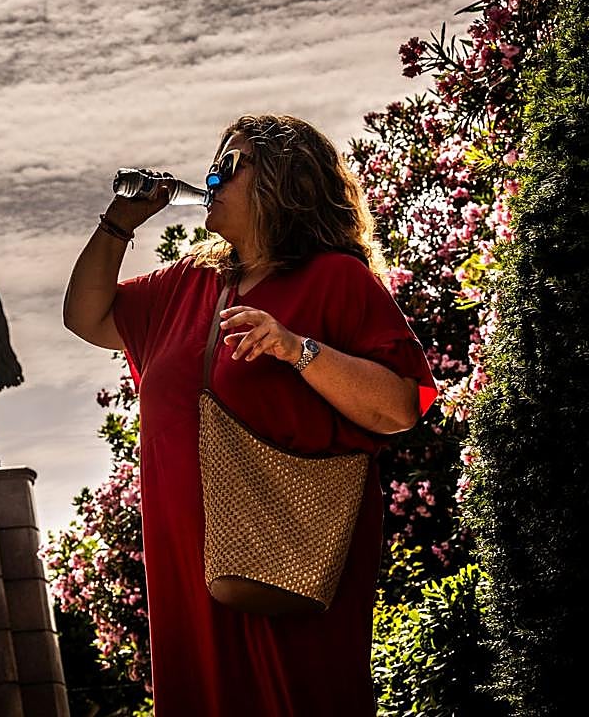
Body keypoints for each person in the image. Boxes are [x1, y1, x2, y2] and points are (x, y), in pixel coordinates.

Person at [63, 114, 437, 716]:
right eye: (213, 164)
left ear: (284, 181)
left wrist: (297, 349)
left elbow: (398, 407)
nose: (211, 177)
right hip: (189, 564)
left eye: (230, 166)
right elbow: (86, 317)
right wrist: (117, 225)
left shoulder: (334, 280)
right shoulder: (187, 283)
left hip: (290, 557)